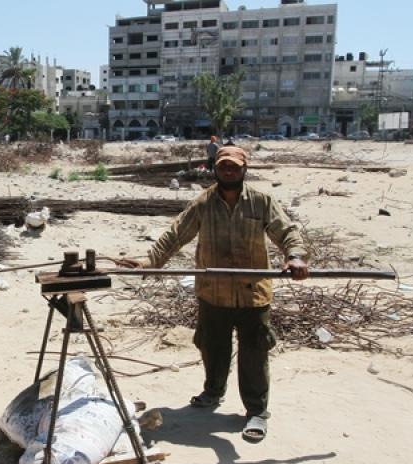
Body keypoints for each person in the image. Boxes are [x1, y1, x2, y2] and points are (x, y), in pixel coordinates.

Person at [117, 145, 309, 442]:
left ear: (244, 169)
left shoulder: (261, 202)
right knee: (212, 346)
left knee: (254, 353)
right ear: (215, 169)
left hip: (252, 294)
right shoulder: (204, 203)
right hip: (213, 292)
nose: (228, 171)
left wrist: (295, 256)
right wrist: (151, 261)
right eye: (223, 166)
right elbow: (176, 233)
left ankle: (256, 411)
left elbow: (287, 232)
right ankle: (213, 392)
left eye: (234, 166)